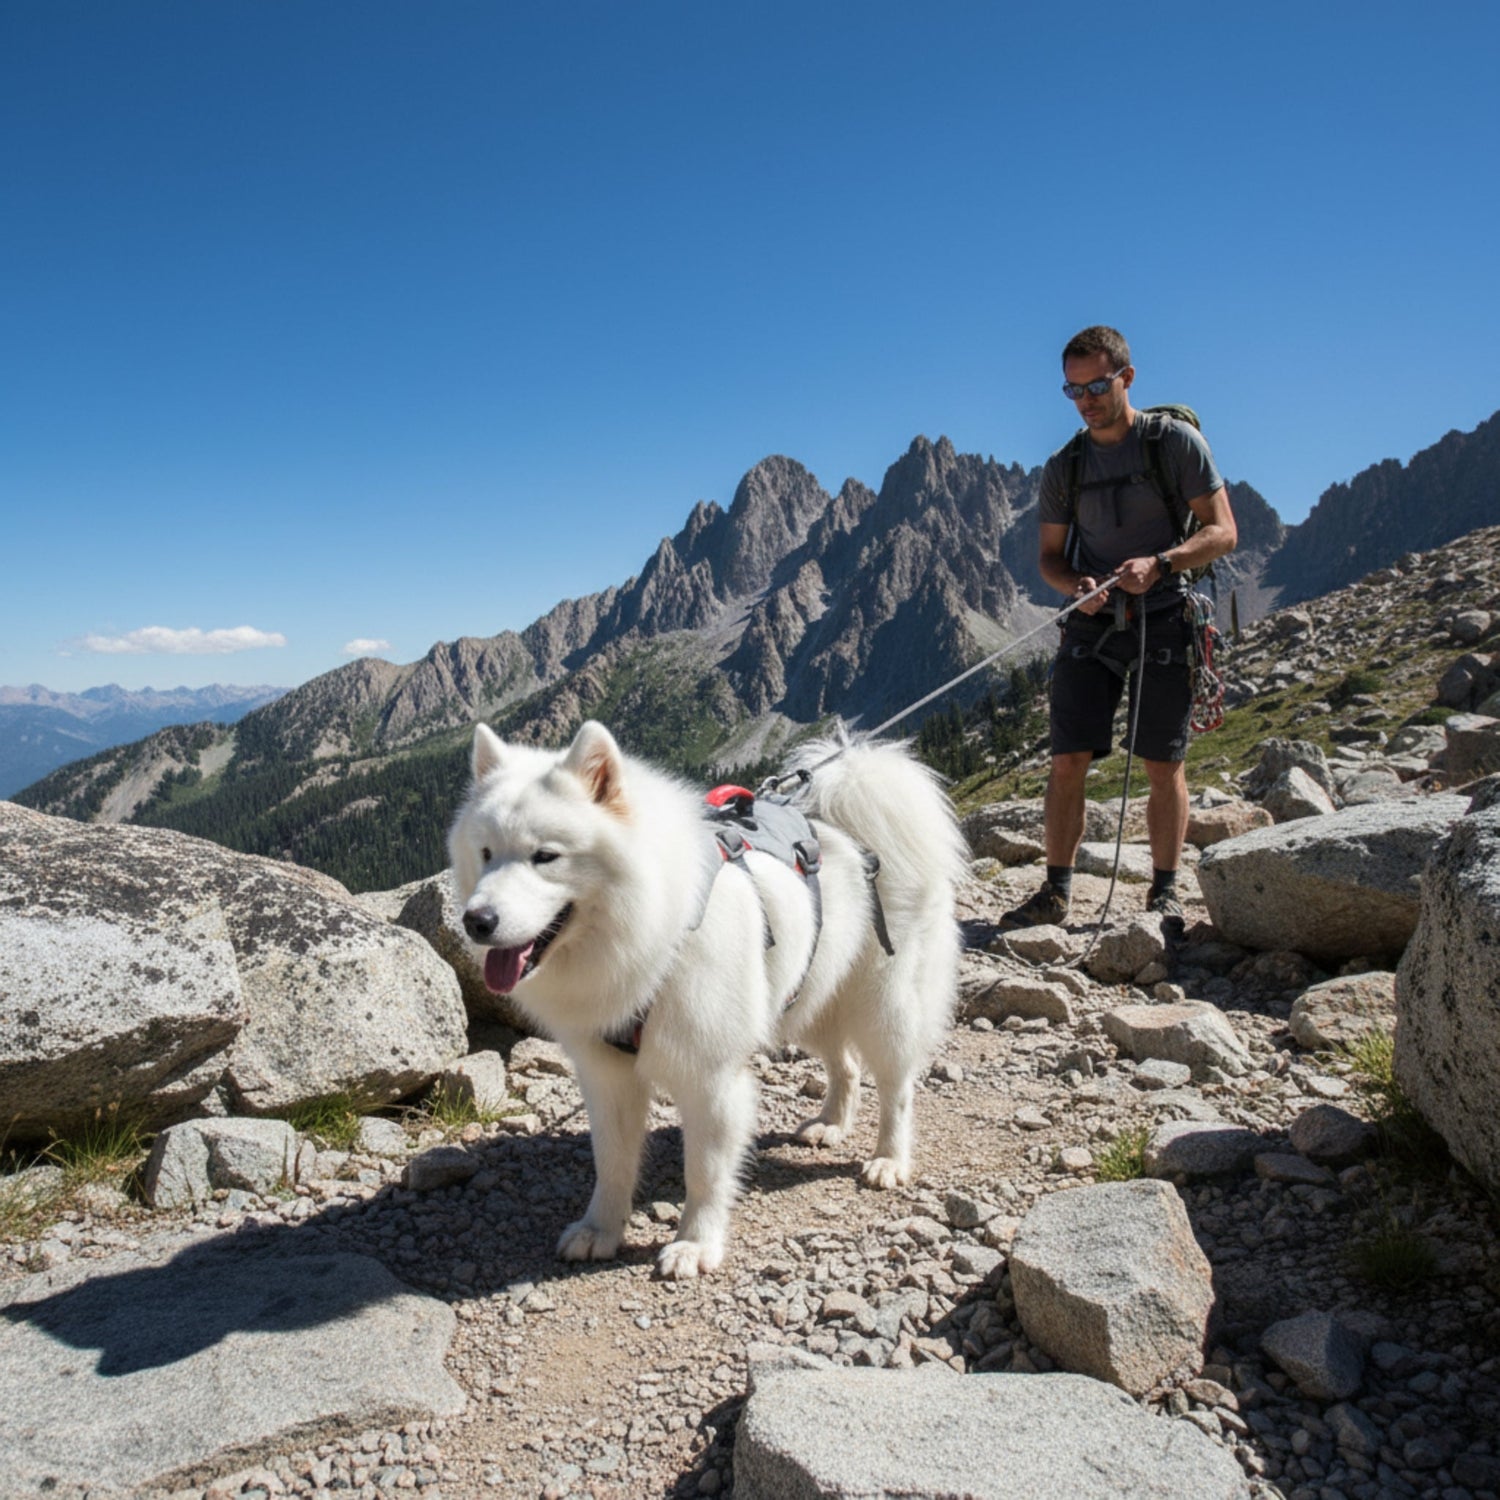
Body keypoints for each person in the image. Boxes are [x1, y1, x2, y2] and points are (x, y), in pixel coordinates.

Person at [999, 325, 1238, 930]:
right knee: (1067, 759)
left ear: (1126, 378)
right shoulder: (1066, 467)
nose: (1086, 401)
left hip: (1166, 616)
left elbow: (1223, 531)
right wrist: (1074, 587)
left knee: (1163, 763)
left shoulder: (1174, 444)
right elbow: (1050, 559)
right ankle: (1055, 891)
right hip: (1093, 624)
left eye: (1097, 386)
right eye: (1073, 390)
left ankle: (1164, 893)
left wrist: (1161, 562)